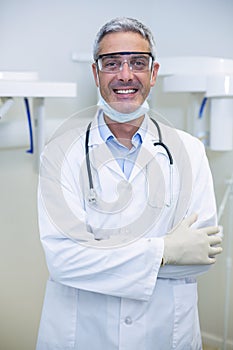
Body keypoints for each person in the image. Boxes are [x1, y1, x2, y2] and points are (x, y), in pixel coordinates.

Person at [36, 17, 223, 350]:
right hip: (84, 337)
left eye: (137, 63)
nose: (125, 75)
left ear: (153, 73)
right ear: (96, 74)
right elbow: (63, 262)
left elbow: (199, 256)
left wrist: (98, 261)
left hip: (165, 334)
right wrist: (165, 250)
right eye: (112, 63)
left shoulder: (190, 152)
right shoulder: (60, 152)